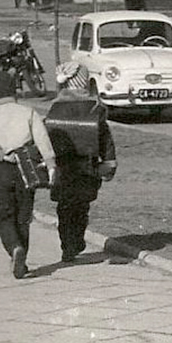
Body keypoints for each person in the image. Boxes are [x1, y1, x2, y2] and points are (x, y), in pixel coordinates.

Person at [0, 69, 57, 279]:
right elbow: (43, 141)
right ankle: (22, 258)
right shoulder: (28, 113)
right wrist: (51, 165)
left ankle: (13, 248)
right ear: (14, 90)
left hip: (2, 168)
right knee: (23, 215)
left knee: (2, 213)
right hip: (26, 168)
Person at [45, 63, 117, 263]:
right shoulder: (95, 108)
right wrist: (109, 163)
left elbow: (47, 136)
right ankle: (76, 239)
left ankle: (67, 244)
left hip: (62, 168)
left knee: (64, 207)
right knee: (81, 206)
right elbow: (105, 139)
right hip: (87, 166)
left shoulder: (55, 107)